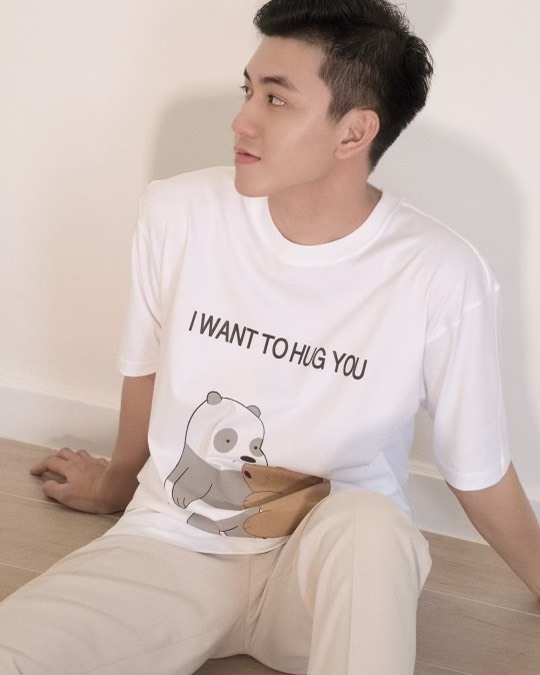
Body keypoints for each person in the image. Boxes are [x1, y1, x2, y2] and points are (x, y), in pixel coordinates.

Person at [1, 1, 539, 673]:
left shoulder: (440, 273)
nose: (242, 119)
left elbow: (476, 467)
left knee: (372, 523)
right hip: (169, 549)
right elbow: (146, 367)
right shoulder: (178, 214)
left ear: (354, 132)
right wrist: (115, 483)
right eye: (248, 90)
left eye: (276, 99)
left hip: (329, 576)